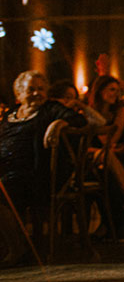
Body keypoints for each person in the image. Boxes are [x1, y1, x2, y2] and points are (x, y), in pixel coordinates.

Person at [0, 71, 89, 215]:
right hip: (6, 168)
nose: (37, 93)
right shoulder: (10, 113)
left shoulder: (51, 108)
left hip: (36, 174)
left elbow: (79, 121)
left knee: (5, 188)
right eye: (31, 89)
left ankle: (14, 236)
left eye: (41, 89)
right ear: (19, 94)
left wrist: (59, 123)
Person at [88, 75, 124, 217]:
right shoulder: (89, 112)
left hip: (113, 159)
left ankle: (114, 224)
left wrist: (110, 75)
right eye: (111, 89)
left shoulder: (120, 111)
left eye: (118, 90)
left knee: (107, 174)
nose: (116, 94)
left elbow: (110, 141)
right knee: (106, 166)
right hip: (92, 159)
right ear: (100, 91)